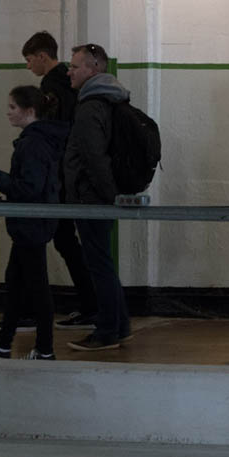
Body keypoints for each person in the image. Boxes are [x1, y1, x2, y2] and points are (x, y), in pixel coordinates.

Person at [22, 31, 98, 330]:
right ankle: (91, 305)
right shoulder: (71, 84)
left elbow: (52, 129)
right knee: (70, 242)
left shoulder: (51, 84)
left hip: (59, 173)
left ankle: (88, 306)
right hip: (74, 171)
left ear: (43, 56)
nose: (29, 67)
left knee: (61, 240)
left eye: (30, 60)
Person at [0, 86, 69, 360]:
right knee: (17, 281)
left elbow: (29, 188)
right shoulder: (40, 140)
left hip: (31, 223)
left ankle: (44, 348)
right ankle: (4, 341)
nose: (7, 112)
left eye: (12, 107)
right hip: (34, 223)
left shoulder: (32, 143)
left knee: (34, 287)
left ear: (29, 111)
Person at [63, 43, 132, 352]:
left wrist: (105, 197)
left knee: (98, 264)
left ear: (93, 69)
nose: (69, 71)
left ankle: (106, 332)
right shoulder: (109, 100)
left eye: (75, 66)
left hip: (91, 198)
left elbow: (93, 157)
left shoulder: (90, 106)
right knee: (103, 262)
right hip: (99, 197)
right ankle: (120, 325)